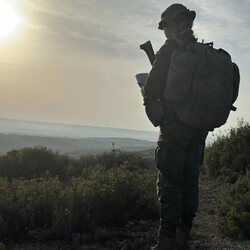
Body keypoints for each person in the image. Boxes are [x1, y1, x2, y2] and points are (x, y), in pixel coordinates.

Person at [143, 4, 209, 250]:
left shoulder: (170, 49)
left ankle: (166, 242)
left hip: (174, 129)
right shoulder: (203, 52)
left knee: (170, 181)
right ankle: (184, 236)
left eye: (165, 26)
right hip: (199, 128)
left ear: (173, 24)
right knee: (190, 180)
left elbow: (151, 89)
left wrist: (149, 98)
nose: (164, 32)